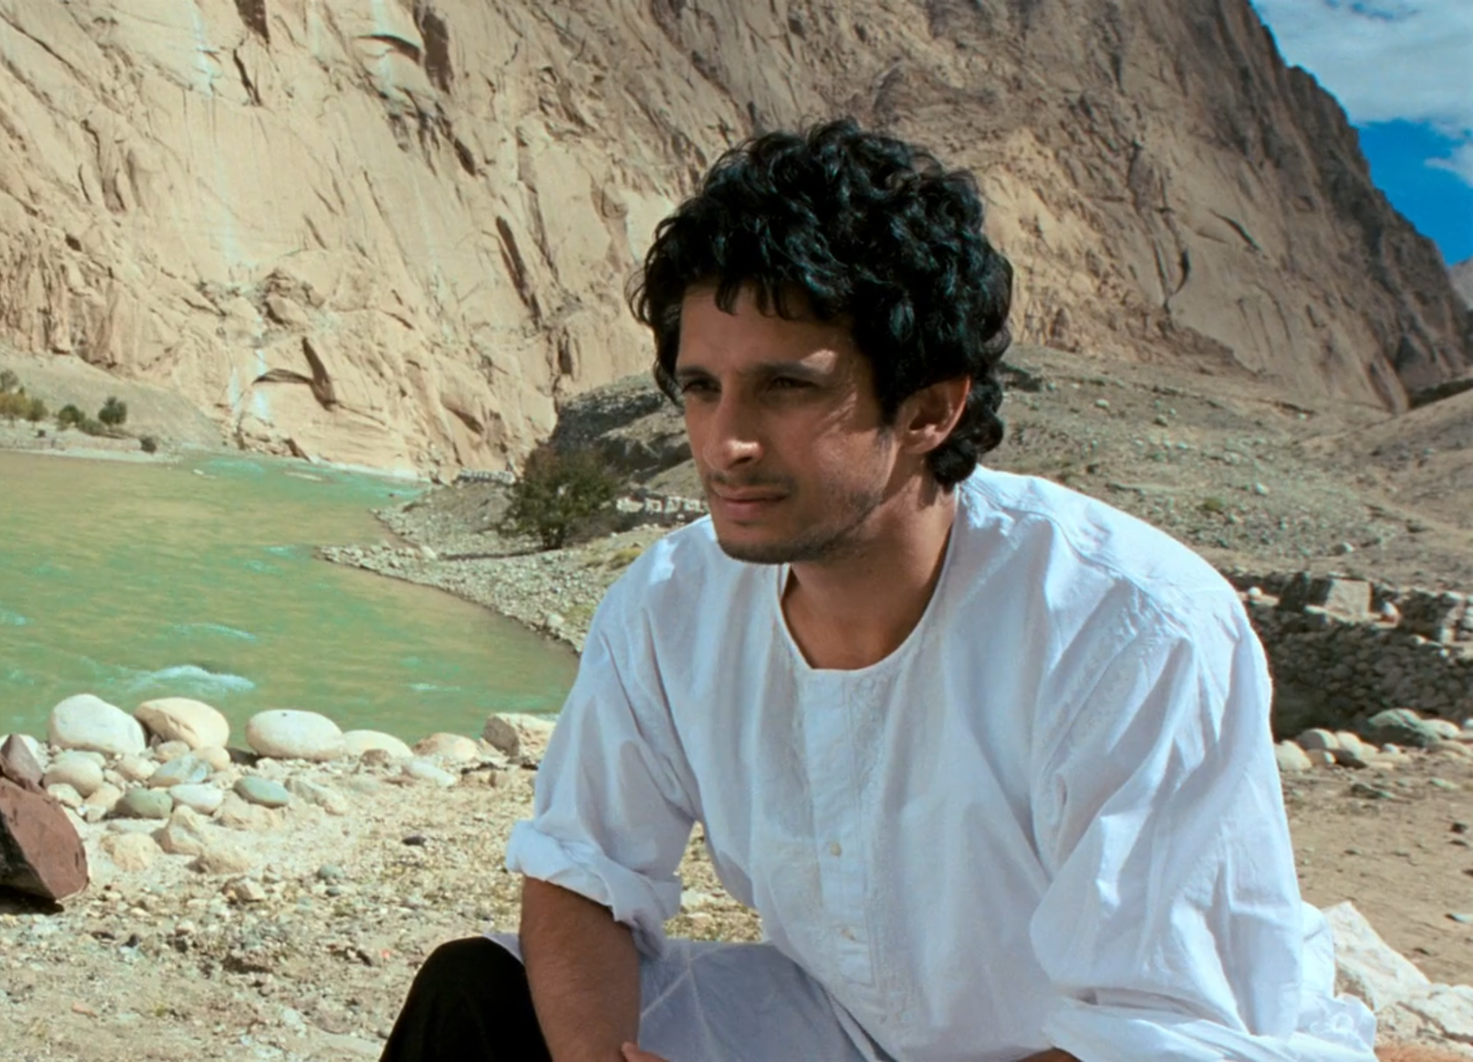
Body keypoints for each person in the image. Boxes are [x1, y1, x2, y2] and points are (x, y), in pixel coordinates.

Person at [379, 121, 1376, 1061]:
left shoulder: (1126, 627)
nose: (726, 442)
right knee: (481, 997)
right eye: (701, 388)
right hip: (843, 1025)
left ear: (931, 408)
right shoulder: (670, 603)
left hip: (1111, 1048)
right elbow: (580, 871)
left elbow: (1148, 1032)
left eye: (786, 388)